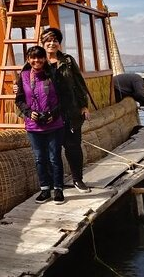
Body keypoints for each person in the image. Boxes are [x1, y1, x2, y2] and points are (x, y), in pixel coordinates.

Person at [39, 27, 92, 194]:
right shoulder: (36, 61)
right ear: (43, 43)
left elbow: (79, 83)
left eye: (55, 40)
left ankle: (78, 180)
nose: (52, 43)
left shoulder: (68, 61)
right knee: (51, 150)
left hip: (70, 111)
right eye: (48, 40)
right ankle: (55, 184)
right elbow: (25, 82)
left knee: (73, 146)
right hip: (48, 113)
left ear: (59, 43)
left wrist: (84, 106)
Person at [15, 46, 66, 205]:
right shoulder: (23, 76)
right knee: (39, 158)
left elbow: (64, 98)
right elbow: (19, 100)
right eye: (33, 58)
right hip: (33, 126)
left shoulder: (54, 74)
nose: (36, 61)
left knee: (54, 158)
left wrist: (53, 114)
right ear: (28, 59)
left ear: (44, 58)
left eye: (40, 57)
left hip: (54, 124)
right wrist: (29, 113)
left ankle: (58, 189)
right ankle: (45, 189)